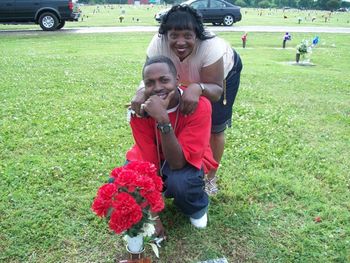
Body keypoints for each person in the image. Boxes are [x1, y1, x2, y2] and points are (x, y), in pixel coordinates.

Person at [131, 5, 242, 195]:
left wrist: (196, 88)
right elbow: (150, 76)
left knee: (215, 127)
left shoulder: (211, 47)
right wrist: (141, 91)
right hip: (180, 73)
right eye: (174, 36)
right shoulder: (157, 44)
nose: (180, 42)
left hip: (220, 78)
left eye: (187, 36)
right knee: (182, 113)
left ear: (197, 34)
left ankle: (210, 177)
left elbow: (215, 90)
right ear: (166, 35)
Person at [126, 56, 218, 235]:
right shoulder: (139, 110)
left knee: (180, 181)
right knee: (122, 182)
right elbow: (148, 160)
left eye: (164, 80)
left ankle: (196, 207)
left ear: (177, 80)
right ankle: (148, 206)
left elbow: (178, 163)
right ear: (144, 86)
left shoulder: (199, 106)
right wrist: (152, 212)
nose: (158, 87)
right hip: (152, 155)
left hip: (187, 157)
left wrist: (162, 119)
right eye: (150, 83)